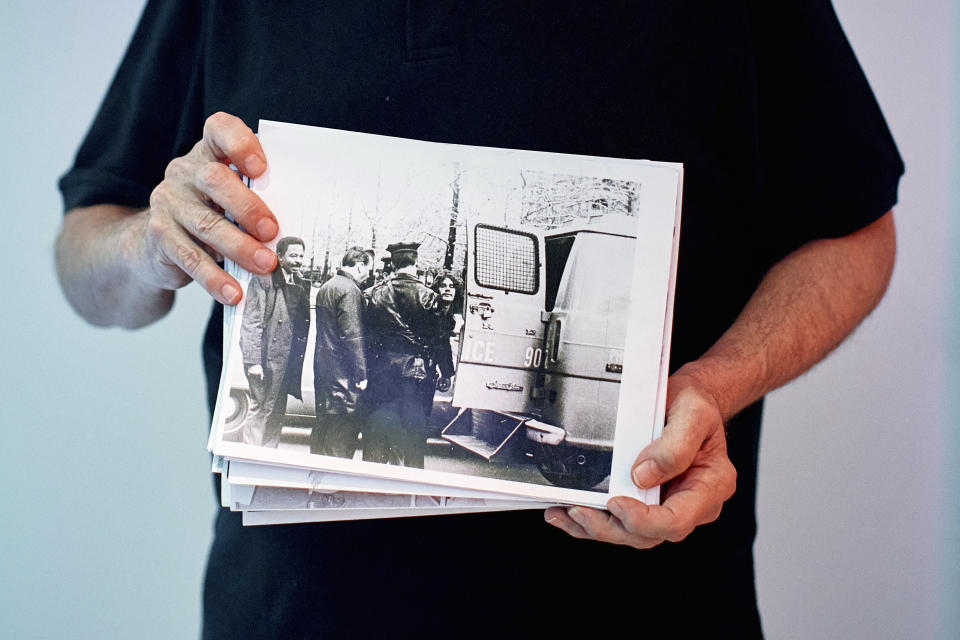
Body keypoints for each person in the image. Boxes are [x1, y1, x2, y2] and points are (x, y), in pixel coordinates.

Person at [54, 2, 902, 637]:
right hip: (292, 611)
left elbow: (856, 230)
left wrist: (717, 386)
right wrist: (146, 243)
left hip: (644, 605)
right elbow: (85, 248)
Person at [362, 242, 454, 467]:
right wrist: (446, 371)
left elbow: (368, 336)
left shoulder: (374, 293)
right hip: (417, 375)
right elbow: (439, 339)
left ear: (393, 263)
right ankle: (412, 483)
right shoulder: (429, 296)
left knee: (377, 430)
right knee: (414, 435)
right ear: (415, 262)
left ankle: (371, 481)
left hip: (381, 371)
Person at [235, 236, 310, 448]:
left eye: (301, 256)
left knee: (277, 412)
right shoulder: (263, 280)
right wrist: (254, 361)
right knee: (261, 410)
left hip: (285, 361)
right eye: (293, 255)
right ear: (280, 256)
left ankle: (268, 456)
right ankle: (251, 457)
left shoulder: (298, 283)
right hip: (266, 361)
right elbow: (252, 323)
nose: (298, 260)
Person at [310, 247, 371, 458]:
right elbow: (352, 336)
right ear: (360, 265)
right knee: (341, 436)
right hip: (343, 374)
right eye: (368, 269)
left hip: (325, 368)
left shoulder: (328, 286)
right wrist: (361, 374)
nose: (367, 275)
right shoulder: (351, 290)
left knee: (323, 428)